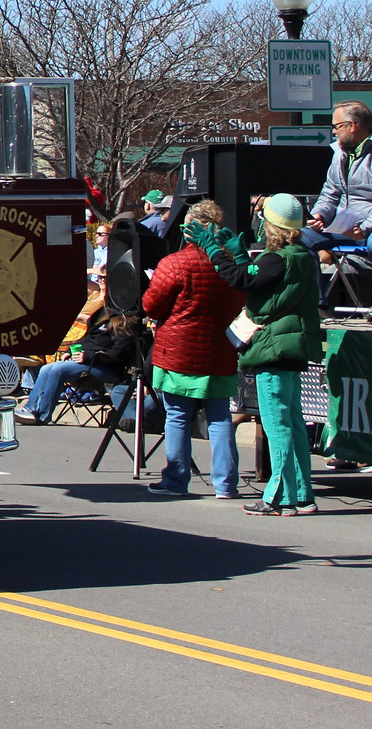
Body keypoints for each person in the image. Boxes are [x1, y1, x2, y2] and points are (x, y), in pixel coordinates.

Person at [210, 194, 324, 516]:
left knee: (278, 425)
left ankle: (279, 497)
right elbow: (259, 281)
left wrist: (216, 254)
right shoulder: (302, 254)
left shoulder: (277, 257)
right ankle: (302, 494)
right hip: (291, 347)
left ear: (271, 224)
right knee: (293, 422)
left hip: (273, 348)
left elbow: (243, 280)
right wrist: (239, 255)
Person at [140, 200, 248, 499]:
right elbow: (241, 300)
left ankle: (176, 481)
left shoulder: (174, 263)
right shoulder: (230, 266)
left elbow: (151, 305)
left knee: (177, 415)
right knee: (220, 417)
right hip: (220, 350)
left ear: (188, 229)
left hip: (178, 351)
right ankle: (226, 484)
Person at [308, 100, 372, 246]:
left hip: (371, 228)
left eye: (336, 126)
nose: (334, 131)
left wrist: (363, 228)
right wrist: (319, 215)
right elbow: (330, 193)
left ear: (351, 126)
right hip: (341, 227)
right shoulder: (339, 154)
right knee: (298, 238)